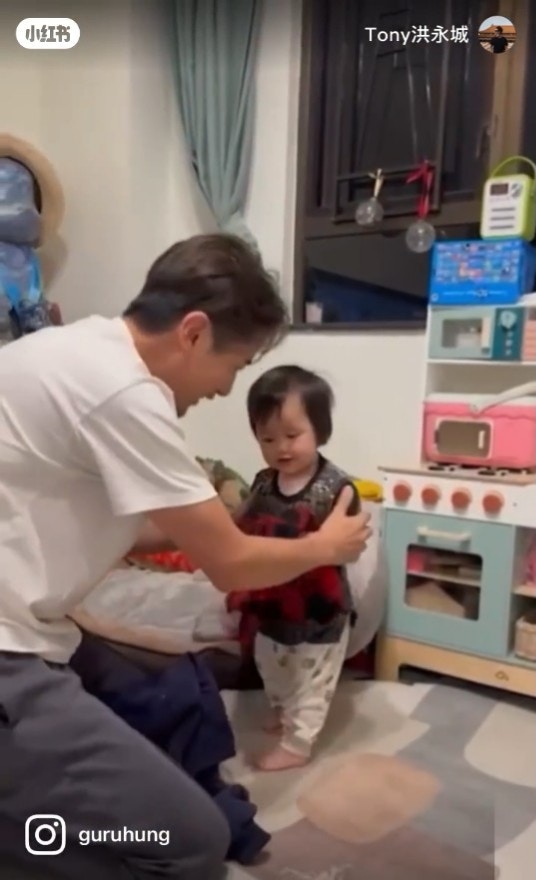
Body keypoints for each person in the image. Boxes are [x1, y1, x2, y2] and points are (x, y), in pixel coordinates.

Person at [0, 234, 372, 880]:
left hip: (35, 624)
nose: (226, 389)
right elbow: (231, 566)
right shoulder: (123, 392)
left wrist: (206, 531)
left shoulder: (75, 350)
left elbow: (130, 529)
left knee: (174, 690)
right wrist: (324, 547)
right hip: (11, 652)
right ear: (194, 333)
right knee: (189, 843)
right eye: (235, 365)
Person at [227, 366, 361, 771]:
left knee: (310, 679)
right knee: (272, 663)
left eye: (292, 435)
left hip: (318, 607)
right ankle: (284, 709)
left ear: (320, 430)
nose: (281, 448)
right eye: (267, 439)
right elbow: (242, 523)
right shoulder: (263, 482)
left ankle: (298, 743)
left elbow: (348, 546)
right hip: (271, 598)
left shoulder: (336, 488)